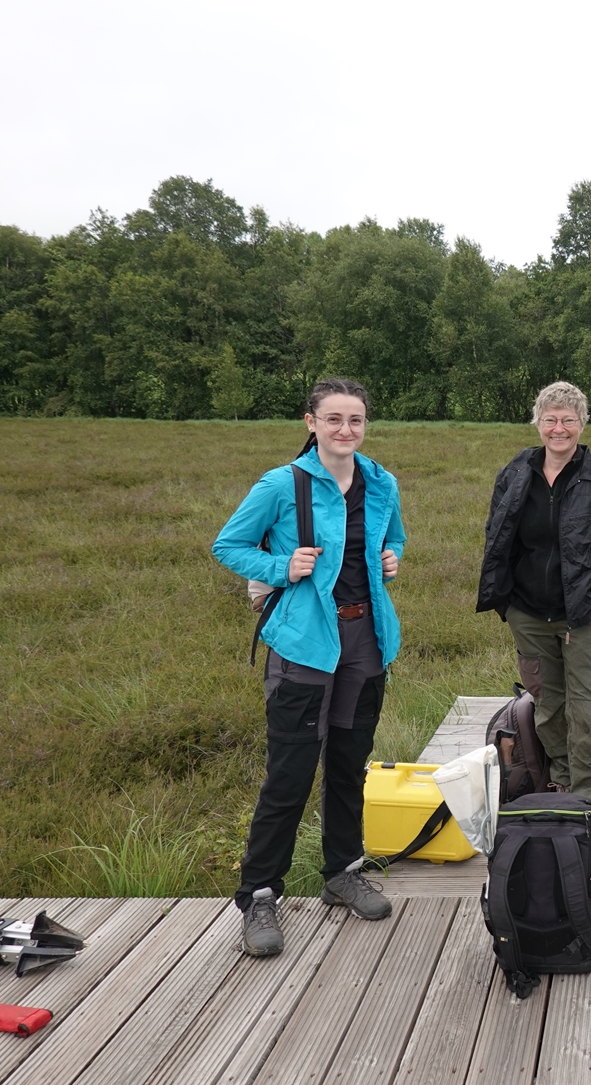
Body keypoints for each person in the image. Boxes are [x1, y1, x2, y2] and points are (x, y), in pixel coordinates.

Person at [213, 376, 407, 957]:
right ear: (311, 423)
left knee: (350, 766)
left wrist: (393, 558)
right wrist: (280, 566)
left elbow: (391, 538)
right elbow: (229, 545)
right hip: (303, 644)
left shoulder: (380, 481)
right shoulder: (282, 484)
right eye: (334, 420)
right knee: (290, 775)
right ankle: (260, 896)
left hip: (365, 640)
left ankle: (342, 873)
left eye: (356, 421)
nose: (346, 430)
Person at [476, 382, 591, 850]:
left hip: (583, 614)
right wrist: (506, 602)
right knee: (548, 706)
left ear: (582, 424)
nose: (559, 427)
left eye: (568, 419)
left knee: (588, 709)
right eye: (550, 418)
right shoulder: (516, 472)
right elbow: (497, 534)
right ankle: (564, 786)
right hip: (527, 612)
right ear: (538, 423)